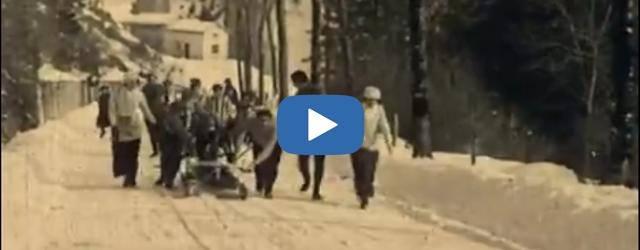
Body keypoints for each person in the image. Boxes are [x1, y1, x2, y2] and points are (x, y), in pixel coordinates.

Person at [109, 72, 157, 188]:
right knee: (124, 152)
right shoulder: (116, 94)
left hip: (135, 125)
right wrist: (114, 124)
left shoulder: (139, 94)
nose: (132, 85)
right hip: (122, 125)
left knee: (133, 152)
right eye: (130, 82)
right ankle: (127, 175)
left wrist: (153, 121)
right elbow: (112, 109)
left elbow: (145, 109)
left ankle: (131, 177)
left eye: (134, 82)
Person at [351, 86, 393, 209]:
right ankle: (361, 193)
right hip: (357, 146)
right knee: (359, 171)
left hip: (373, 146)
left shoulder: (379, 110)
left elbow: (384, 126)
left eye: (374, 100)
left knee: (369, 172)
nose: (371, 102)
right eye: (369, 99)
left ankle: (367, 189)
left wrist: (388, 142)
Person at [291, 70, 326, 200]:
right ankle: (315, 189)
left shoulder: (301, 93)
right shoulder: (319, 91)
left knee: (304, 160)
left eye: (295, 83)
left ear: (300, 81)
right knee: (318, 162)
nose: (294, 85)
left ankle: (308, 181)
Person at [235, 107, 282, 199]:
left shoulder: (275, 127)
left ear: (270, 119)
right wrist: (238, 149)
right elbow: (240, 132)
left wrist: (256, 161)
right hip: (258, 142)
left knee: (272, 166)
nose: (263, 123)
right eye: (261, 120)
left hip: (275, 145)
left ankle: (269, 189)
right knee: (259, 167)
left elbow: (268, 148)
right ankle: (259, 184)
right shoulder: (251, 122)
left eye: (266, 121)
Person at [155, 99, 190, 189]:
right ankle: (169, 180)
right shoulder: (174, 118)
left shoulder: (167, 117)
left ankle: (163, 177)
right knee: (173, 162)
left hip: (166, 142)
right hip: (174, 142)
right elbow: (180, 133)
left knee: (165, 160)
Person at [141, 73, 166, 157]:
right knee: (161, 131)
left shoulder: (145, 88)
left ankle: (155, 150)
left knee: (152, 132)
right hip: (160, 112)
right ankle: (162, 149)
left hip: (149, 112)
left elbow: (142, 101)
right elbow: (165, 99)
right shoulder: (161, 87)